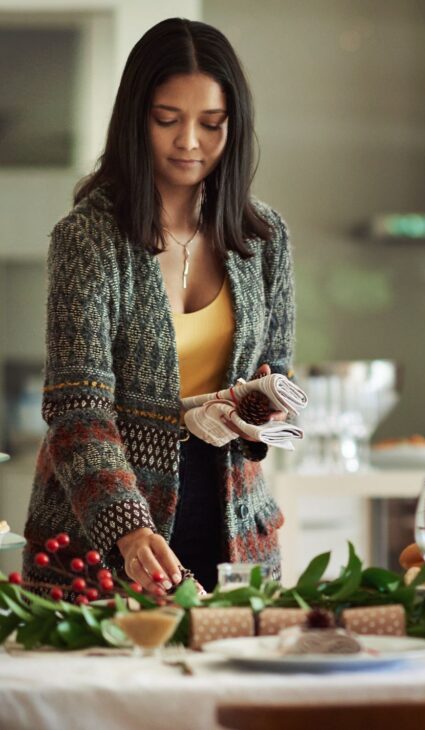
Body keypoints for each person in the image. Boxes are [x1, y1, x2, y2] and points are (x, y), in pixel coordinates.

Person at [23, 18, 295, 595]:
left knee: (236, 683)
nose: (189, 141)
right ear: (135, 119)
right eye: (167, 119)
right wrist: (128, 530)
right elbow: (77, 410)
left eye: (212, 123)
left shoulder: (265, 236)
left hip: (235, 529)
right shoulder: (89, 241)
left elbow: (276, 372)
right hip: (106, 533)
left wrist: (259, 410)